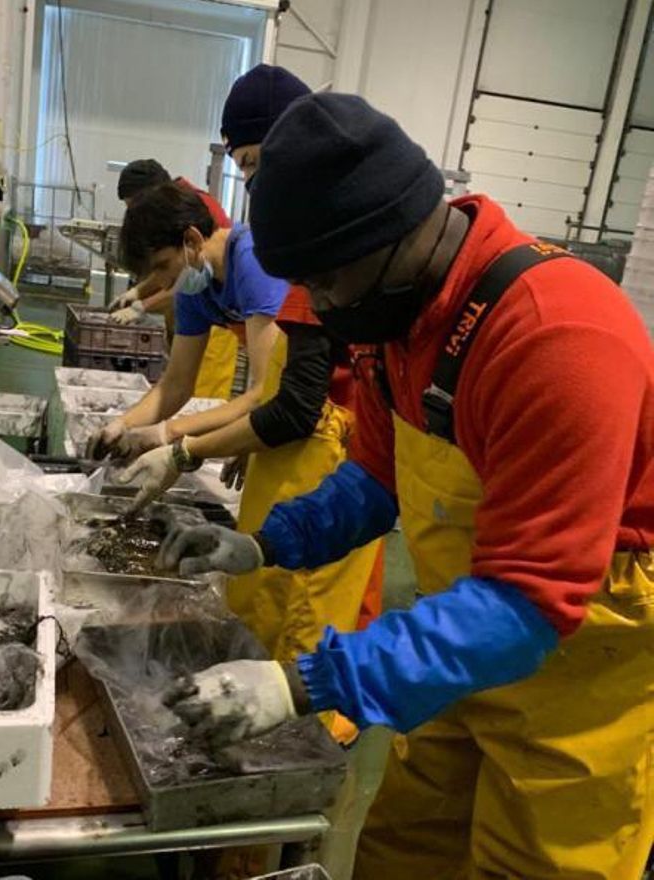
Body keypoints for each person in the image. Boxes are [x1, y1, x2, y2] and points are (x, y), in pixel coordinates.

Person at [159, 93, 654, 880]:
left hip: (581, 650)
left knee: (540, 862)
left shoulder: (555, 336)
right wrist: (261, 544)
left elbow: (532, 602)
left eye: (326, 281)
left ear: (389, 234)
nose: (318, 306)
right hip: (467, 627)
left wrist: (306, 680)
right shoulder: (400, 322)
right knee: (405, 847)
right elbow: (377, 483)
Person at [222, 62, 386, 632]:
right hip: (347, 468)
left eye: (251, 164)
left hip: (327, 466)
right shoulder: (314, 253)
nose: (250, 184)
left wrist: (183, 450)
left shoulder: (319, 255)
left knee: (303, 625)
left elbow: (294, 405)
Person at [87, 180, 286, 479]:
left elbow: (264, 391)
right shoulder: (193, 288)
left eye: (163, 266)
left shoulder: (252, 262)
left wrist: (168, 432)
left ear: (192, 240)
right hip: (281, 406)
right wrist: (124, 425)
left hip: (322, 406)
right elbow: (176, 384)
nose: (163, 284)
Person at [112, 158, 239, 400]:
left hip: (217, 321)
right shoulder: (174, 208)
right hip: (194, 311)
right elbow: (170, 272)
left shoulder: (192, 210)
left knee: (204, 397)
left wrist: (142, 306)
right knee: (179, 386)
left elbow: (183, 274)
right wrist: (139, 291)